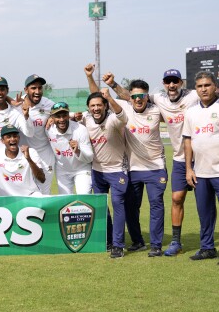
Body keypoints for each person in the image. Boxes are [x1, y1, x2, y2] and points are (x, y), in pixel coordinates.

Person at [101, 68, 199, 256]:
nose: (138, 99)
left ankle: (155, 245)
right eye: (135, 96)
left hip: (156, 168)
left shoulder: (157, 108)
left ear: (147, 96)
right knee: (131, 207)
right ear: (131, 97)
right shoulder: (126, 106)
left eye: (142, 96)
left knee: (156, 205)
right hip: (133, 168)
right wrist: (111, 84)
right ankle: (138, 241)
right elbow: (109, 100)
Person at [81, 89, 129, 258]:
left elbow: (123, 116)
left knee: (117, 204)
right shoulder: (85, 119)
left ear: (105, 106)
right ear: (88, 107)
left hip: (117, 170)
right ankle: (107, 239)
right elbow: (69, 117)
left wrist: (109, 97)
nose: (96, 108)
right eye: (92, 105)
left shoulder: (113, 120)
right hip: (97, 171)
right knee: (102, 208)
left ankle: (118, 245)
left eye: (99, 105)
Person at [183, 71, 219, 261]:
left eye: (207, 85)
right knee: (205, 214)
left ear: (215, 87)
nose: (203, 89)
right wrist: (189, 168)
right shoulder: (191, 112)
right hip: (201, 173)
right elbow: (188, 141)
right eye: (199, 86)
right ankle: (207, 248)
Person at [0, 125, 45, 196]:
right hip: (6, 199)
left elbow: (42, 179)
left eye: (15, 136)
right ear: (2, 141)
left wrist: (28, 159)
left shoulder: (31, 152)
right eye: (8, 136)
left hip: (29, 195)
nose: (12, 139)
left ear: (19, 138)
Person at [47, 102, 94, 195]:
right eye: (58, 116)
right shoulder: (48, 129)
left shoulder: (80, 129)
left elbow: (90, 157)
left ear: (68, 115)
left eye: (64, 115)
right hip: (62, 171)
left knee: (84, 198)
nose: (61, 119)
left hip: (82, 169)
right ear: (52, 118)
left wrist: (78, 151)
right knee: (66, 202)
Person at [21, 74, 56, 194]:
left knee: (45, 190)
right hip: (24, 154)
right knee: (24, 191)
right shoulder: (16, 104)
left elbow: (64, 113)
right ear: (26, 90)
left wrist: (53, 116)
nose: (37, 91)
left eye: (40, 88)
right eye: (33, 88)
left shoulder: (48, 104)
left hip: (45, 153)